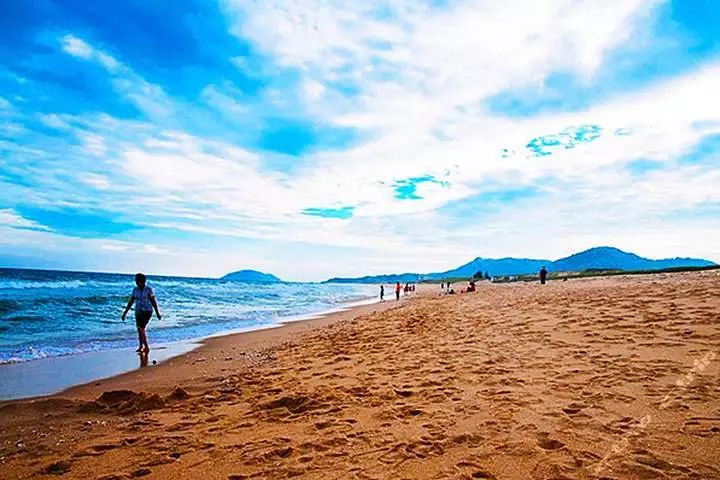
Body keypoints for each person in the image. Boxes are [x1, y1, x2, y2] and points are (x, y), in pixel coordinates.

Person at [122, 273, 162, 353]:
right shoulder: (135, 290)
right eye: (136, 281)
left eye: (139, 281)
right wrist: (125, 313)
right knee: (139, 329)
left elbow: (153, 301)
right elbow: (131, 301)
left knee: (141, 328)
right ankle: (141, 346)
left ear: (143, 281)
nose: (137, 283)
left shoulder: (148, 290)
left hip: (147, 311)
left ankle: (146, 346)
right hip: (138, 311)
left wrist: (157, 313)